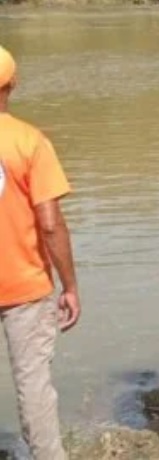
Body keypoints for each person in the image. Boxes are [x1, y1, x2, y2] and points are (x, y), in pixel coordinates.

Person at [0, 45, 80, 460]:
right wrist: (69, 285)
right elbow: (50, 223)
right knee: (32, 383)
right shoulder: (30, 142)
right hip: (24, 285)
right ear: (12, 84)